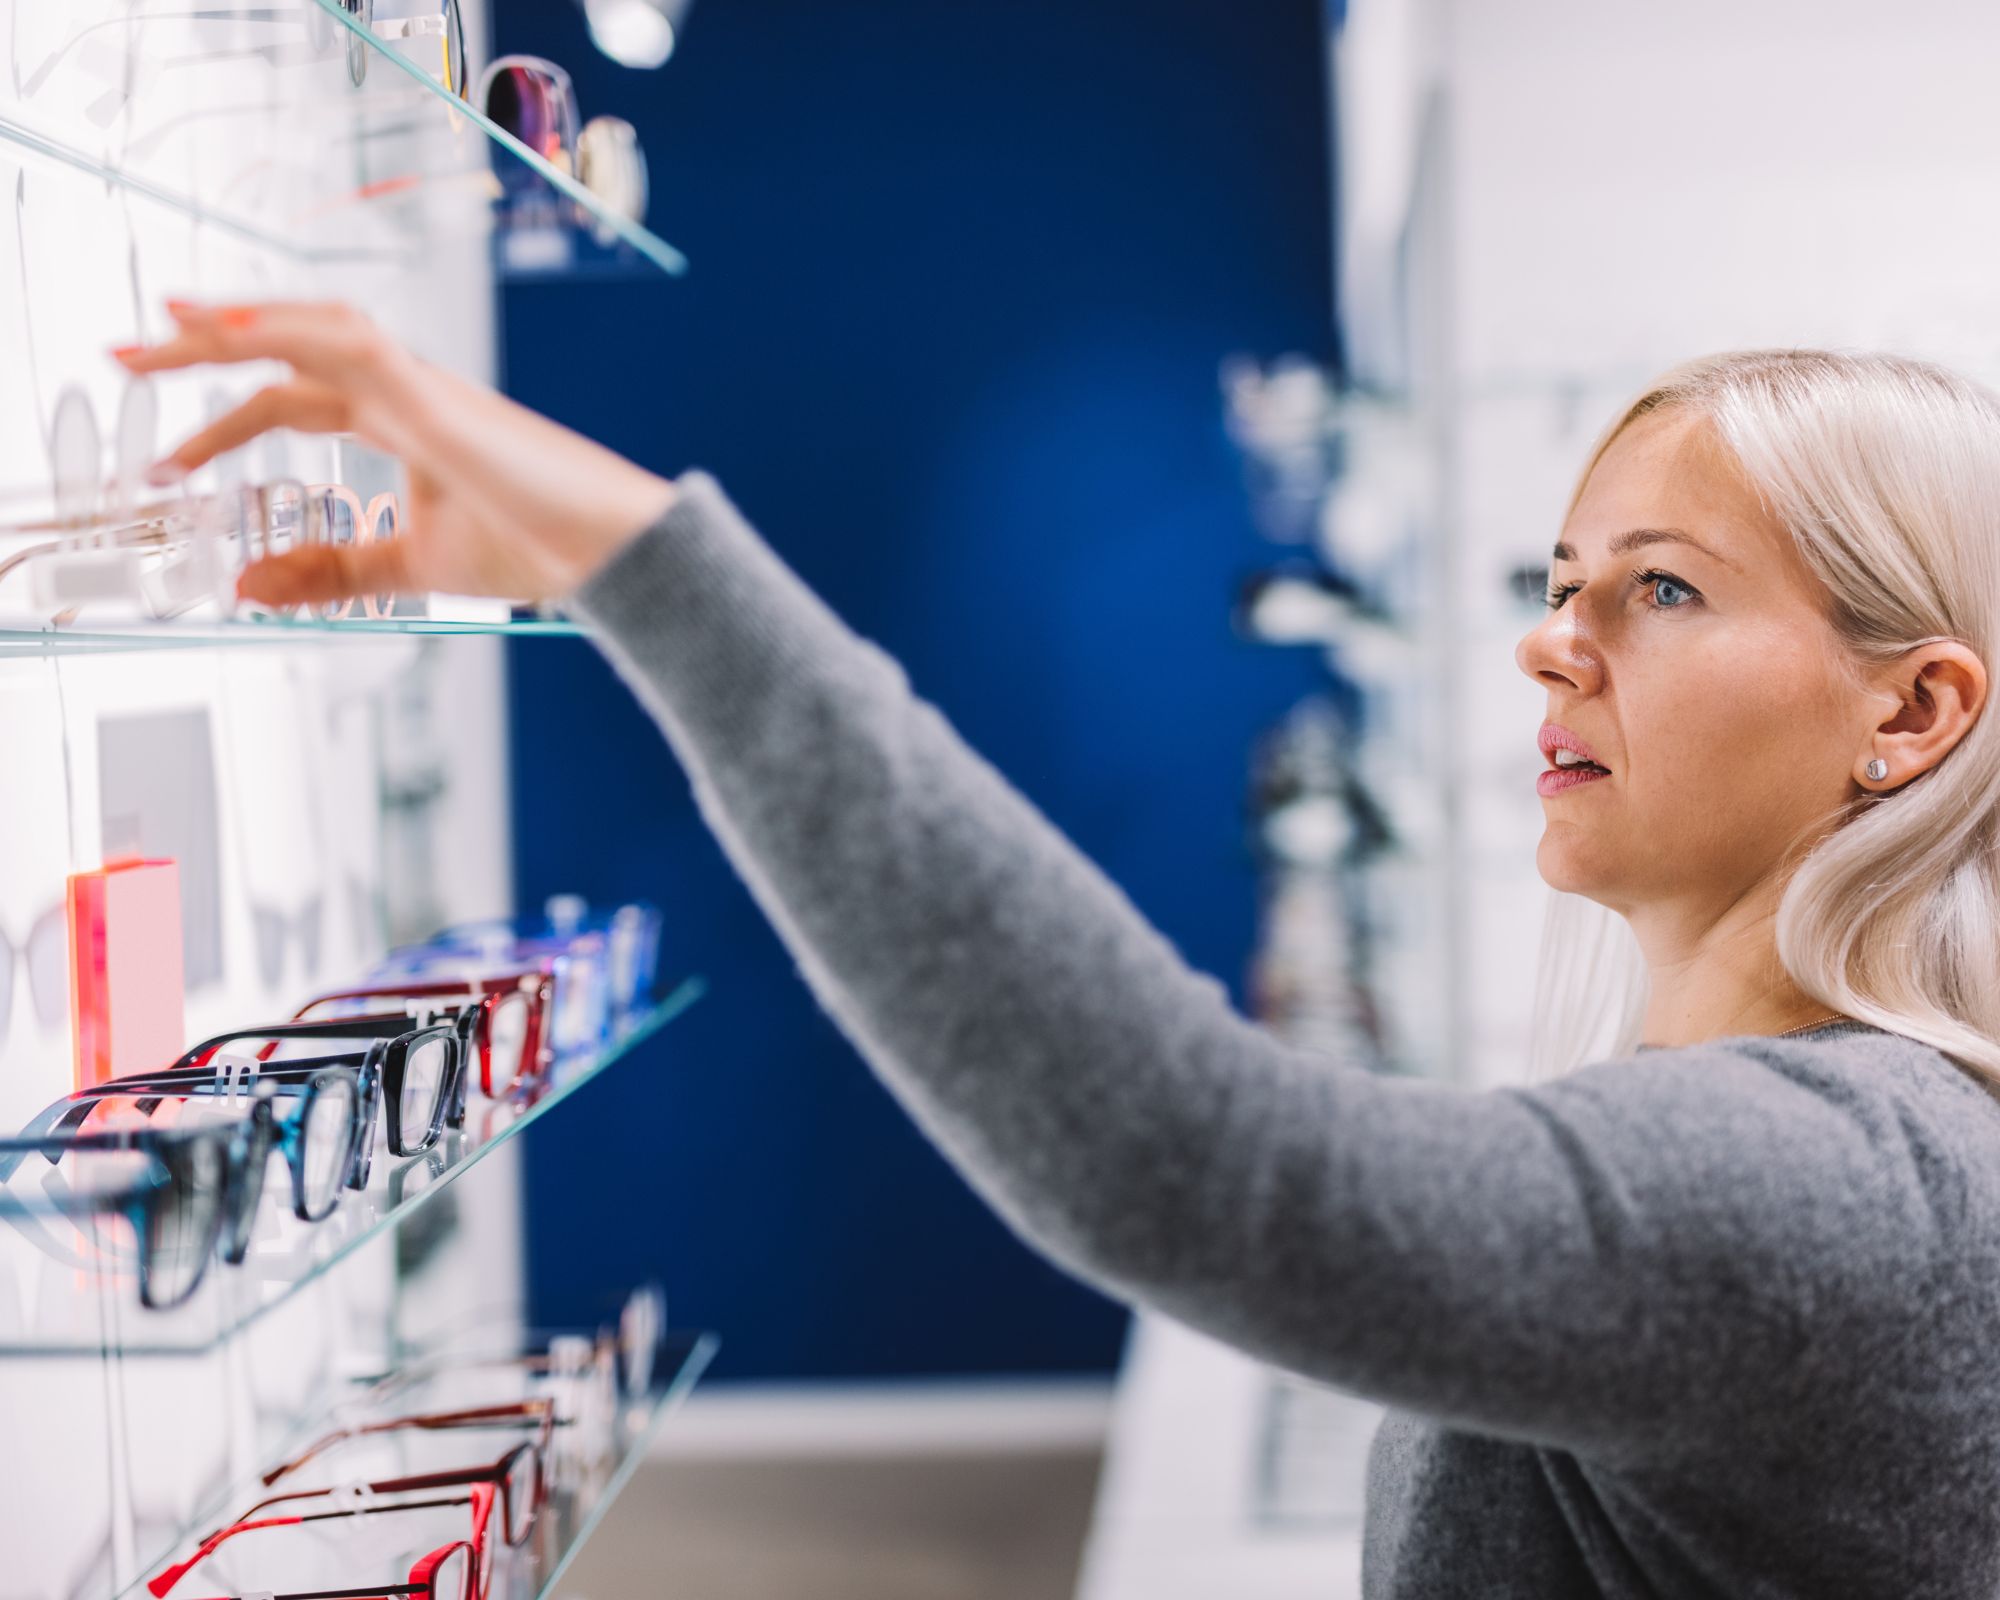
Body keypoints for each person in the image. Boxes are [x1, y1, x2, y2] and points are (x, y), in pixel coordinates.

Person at [118, 307, 2000, 1597]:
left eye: (1661, 588)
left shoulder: (1858, 1184)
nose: (1555, 641)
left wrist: (644, 566)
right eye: (1559, 582)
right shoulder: (1826, 1143)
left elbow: (1214, 1168)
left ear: (1910, 716)